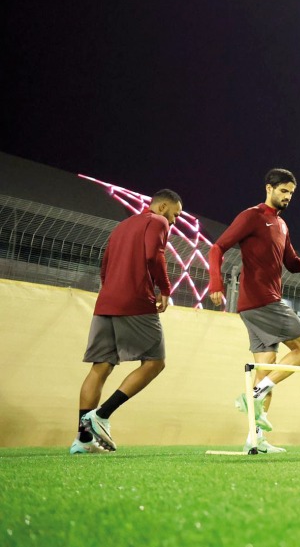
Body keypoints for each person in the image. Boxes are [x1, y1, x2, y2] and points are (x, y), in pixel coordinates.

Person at [208, 168, 300, 453]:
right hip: (262, 300)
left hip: (256, 305)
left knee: (268, 369)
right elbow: (217, 248)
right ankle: (253, 395)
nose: (288, 197)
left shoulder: (281, 225)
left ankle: (254, 439)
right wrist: (216, 283)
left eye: (291, 193)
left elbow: (293, 264)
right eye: (283, 191)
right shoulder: (252, 217)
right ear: (269, 188)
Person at [72, 189, 183, 454]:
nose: (174, 222)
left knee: (101, 367)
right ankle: (102, 415)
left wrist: (111, 292)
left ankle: (83, 440)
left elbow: (104, 266)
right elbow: (154, 256)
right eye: (175, 215)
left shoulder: (122, 226)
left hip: (106, 301)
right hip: (134, 300)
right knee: (155, 362)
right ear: (163, 206)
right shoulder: (157, 221)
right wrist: (165, 289)